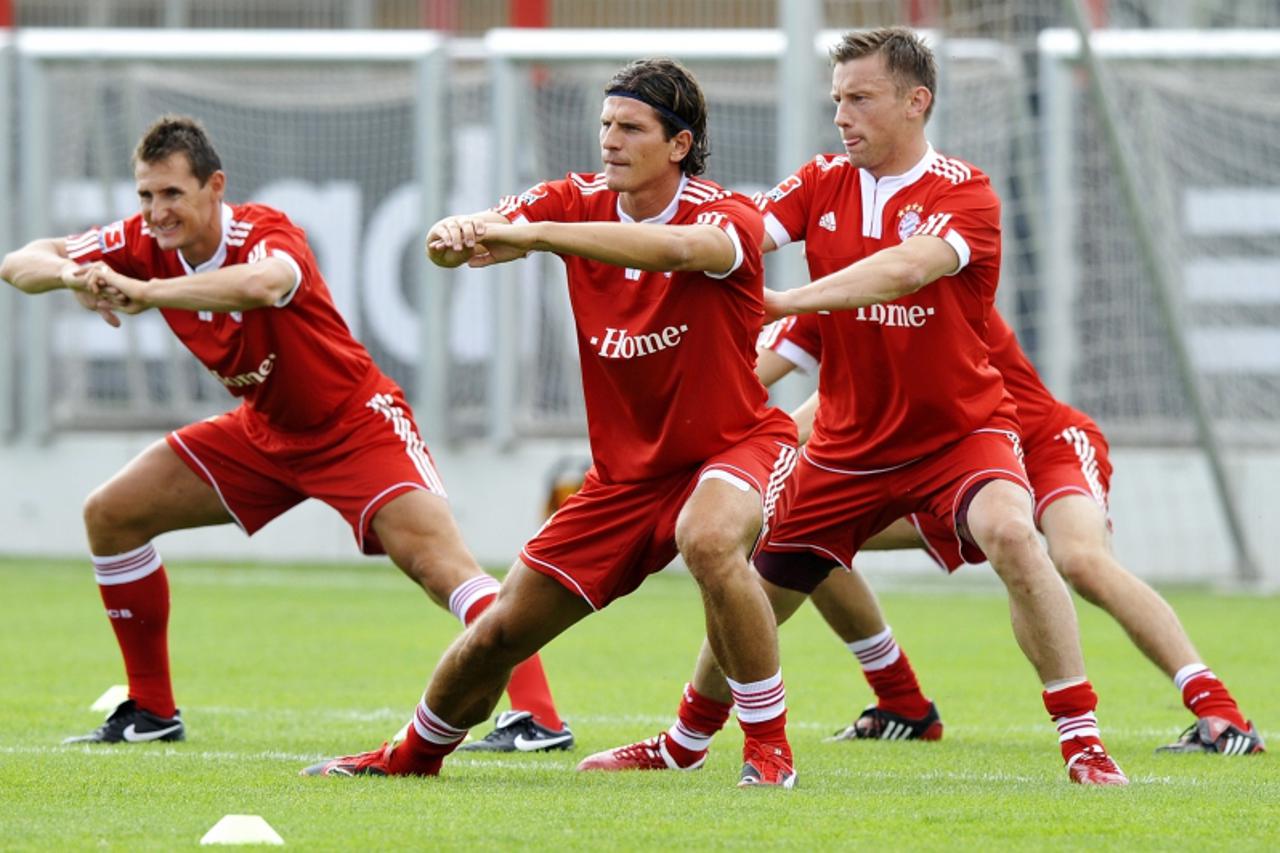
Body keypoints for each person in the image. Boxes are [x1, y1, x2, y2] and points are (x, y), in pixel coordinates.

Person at [577, 27, 1128, 785]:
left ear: (916, 101)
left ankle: (1083, 741)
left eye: (860, 98)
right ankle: (684, 740)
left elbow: (904, 270)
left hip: (958, 433)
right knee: (746, 591)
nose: (842, 116)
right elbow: (736, 234)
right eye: (837, 100)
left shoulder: (963, 191)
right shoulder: (818, 181)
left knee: (1011, 530)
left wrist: (781, 298)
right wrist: (645, 242)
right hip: (842, 447)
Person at [303, 58, 801, 788]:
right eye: (605, 124)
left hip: (734, 445)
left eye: (630, 127)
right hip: (626, 477)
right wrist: (456, 235)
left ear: (679, 144)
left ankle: (768, 749)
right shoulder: (571, 202)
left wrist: (542, 235)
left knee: (709, 536)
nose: (609, 140)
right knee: (500, 631)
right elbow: (484, 240)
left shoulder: (725, 215)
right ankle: (413, 751)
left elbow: (675, 250)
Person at [0, 115, 569, 751]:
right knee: (112, 514)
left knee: (442, 569)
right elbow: (19, 263)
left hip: (355, 425)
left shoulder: (263, 231)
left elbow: (264, 285)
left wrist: (150, 292)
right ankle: (152, 710)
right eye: (145, 195)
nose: (156, 212)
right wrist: (75, 276)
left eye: (171, 195)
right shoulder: (142, 242)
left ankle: (537, 717)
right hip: (263, 432)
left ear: (215, 187)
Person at [755, 310, 1264, 754]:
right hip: (954, 467)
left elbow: (838, 406)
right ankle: (902, 702)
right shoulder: (834, 287)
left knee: (1081, 561)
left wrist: (750, 444)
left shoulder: (927, 277)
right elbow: (753, 378)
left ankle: (1222, 715)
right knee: (808, 530)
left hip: (1043, 445)